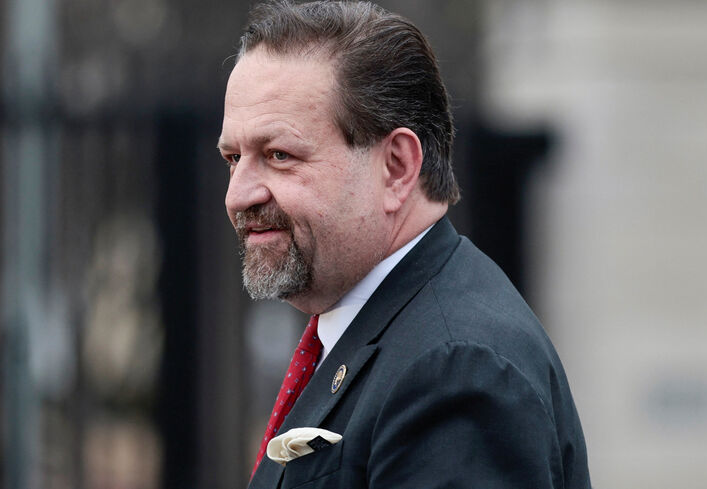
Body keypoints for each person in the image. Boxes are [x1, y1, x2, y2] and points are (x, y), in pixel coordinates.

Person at [217, 1, 591, 488]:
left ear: (396, 167)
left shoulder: (455, 369)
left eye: (279, 155)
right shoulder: (394, 333)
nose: (238, 195)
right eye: (233, 158)